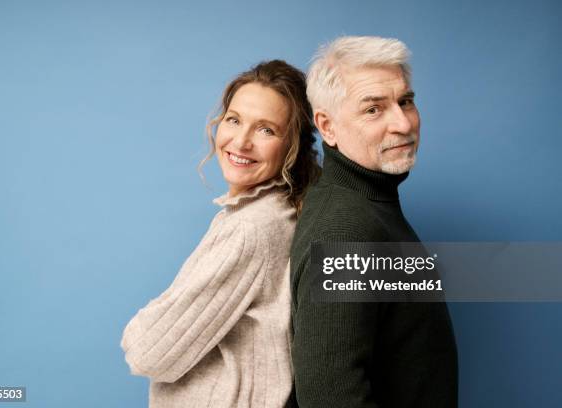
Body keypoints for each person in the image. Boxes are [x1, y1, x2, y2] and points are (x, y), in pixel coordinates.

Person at [120, 60, 320, 408]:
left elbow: (147, 352)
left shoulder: (250, 229)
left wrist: (139, 327)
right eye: (234, 120)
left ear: (293, 146)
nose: (240, 142)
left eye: (266, 130)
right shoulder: (280, 211)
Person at [289, 36, 458, 407]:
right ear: (328, 127)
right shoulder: (346, 231)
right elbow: (330, 398)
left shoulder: (370, 204)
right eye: (373, 110)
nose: (402, 123)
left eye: (406, 102)